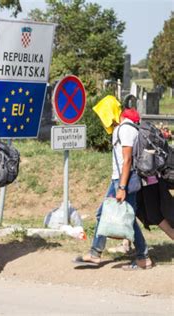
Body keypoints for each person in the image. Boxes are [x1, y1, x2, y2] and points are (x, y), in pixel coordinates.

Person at [74, 106, 152, 270]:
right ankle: (96, 253)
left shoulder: (125, 129)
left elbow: (127, 160)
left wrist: (122, 187)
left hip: (124, 180)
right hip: (119, 179)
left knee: (126, 218)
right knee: (108, 214)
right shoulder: (125, 128)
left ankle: (143, 257)